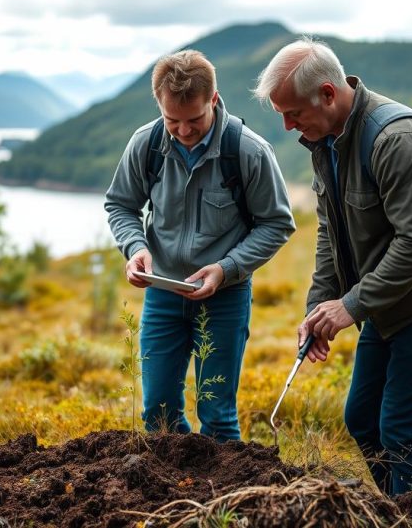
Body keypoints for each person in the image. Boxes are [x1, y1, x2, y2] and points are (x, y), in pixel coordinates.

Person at [253, 37, 412, 518]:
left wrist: (350, 306)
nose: (288, 126)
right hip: (386, 302)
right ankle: (400, 510)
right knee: (361, 419)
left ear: (328, 94)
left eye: (293, 113)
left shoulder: (397, 140)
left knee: (401, 427)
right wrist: (321, 307)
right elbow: (332, 233)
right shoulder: (325, 142)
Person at [105, 49, 295, 442]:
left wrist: (226, 268)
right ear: (158, 104)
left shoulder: (248, 151)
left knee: (218, 414)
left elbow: (277, 223)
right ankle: (177, 493)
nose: (184, 130)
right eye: (172, 120)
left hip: (225, 296)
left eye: (194, 119)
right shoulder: (146, 144)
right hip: (162, 294)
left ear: (213, 98)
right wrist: (135, 247)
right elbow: (121, 206)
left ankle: (223, 502)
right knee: (157, 412)